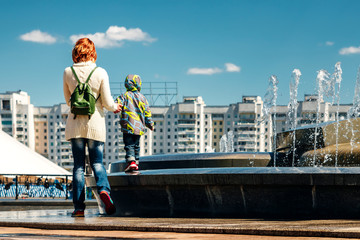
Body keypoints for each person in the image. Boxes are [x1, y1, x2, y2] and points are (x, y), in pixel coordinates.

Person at [63, 38, 120, 217]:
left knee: (78, 167)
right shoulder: (100, 72)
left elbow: (68, 100)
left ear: (76, 52)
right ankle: (104, 190)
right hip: (95, 124)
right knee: (97, 162)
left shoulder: (67, 72)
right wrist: (116, 107)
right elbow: (108, 102)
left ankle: (79, 208)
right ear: (92, 51)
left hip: (75, 125)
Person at [115, 74, 154, 172]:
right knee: (136, 145)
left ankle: (131, 162)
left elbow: (116, 104)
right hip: (139, 127)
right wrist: (150, 125)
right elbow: (147, 113)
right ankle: (136, 163)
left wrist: (114, 107)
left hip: (127, 126)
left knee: (129, 145)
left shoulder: (124, 96)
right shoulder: (143, 98)